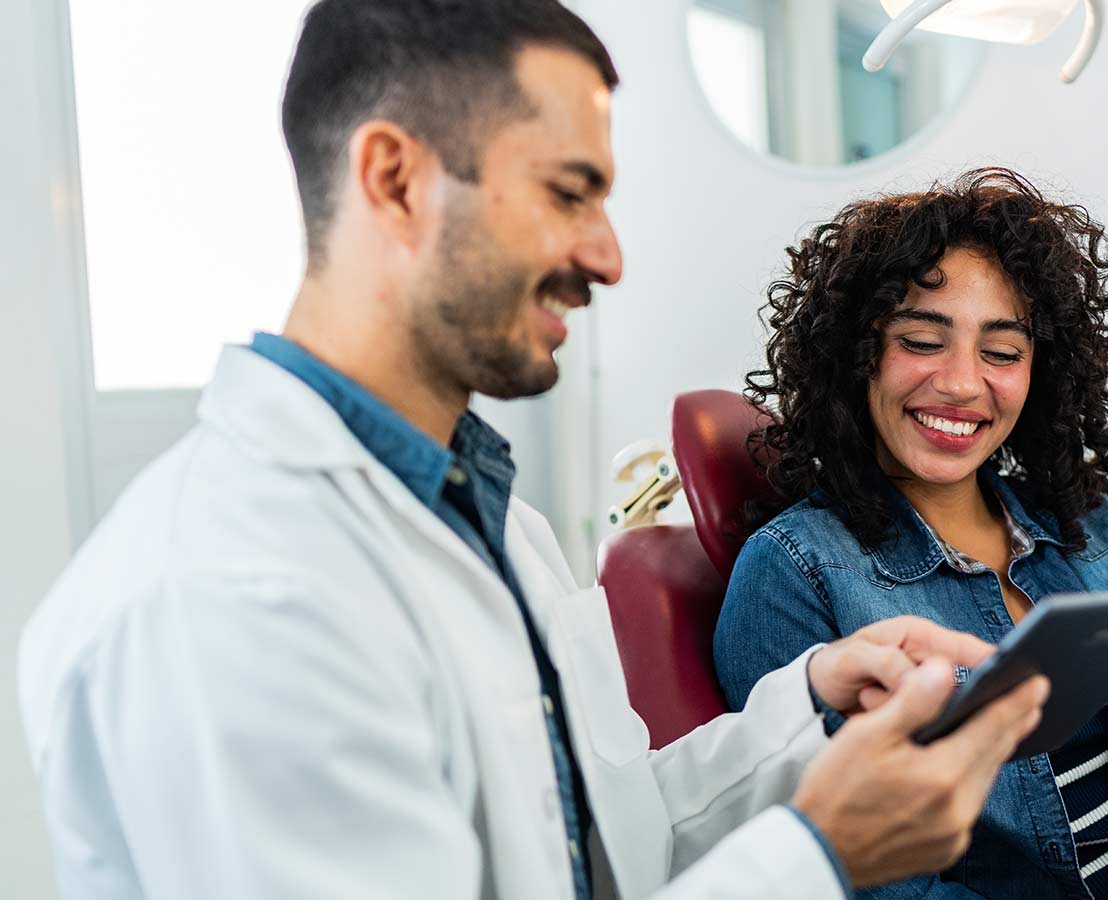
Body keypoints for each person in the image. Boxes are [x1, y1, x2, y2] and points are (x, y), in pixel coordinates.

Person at [16, 4, 1051, 899]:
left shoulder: (493, 522)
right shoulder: (233, 593)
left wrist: (811, 702)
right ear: (395, 178)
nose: (607, 254)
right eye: (568, 193)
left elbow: (603, 836)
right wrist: (817, 857)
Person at [715, 169, 1108, 900]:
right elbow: (863, 875)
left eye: (1001, 352)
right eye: (921, 340)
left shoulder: (1093, 524)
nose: (962, 383)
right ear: (858, 353)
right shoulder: (796, 574)